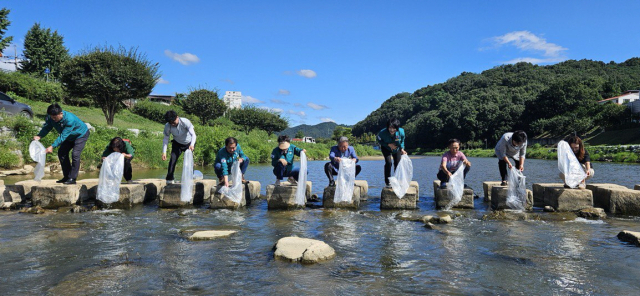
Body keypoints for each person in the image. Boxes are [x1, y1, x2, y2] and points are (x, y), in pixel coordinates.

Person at [33, 103, 90, 185]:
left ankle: (72, 178)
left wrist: (52, 146)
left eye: (55, 117)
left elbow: (63, 136)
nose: (53, 119)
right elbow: (47, 127)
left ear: (61, 113)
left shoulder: (70, 120)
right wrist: (39, 136)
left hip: (80, 135)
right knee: (62, 153)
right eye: (52, 117)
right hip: (69, 136)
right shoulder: (51, 118)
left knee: (75, 154)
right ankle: (66, 176)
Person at [162, 110, 196, 184]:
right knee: (172, 160)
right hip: (177, 144)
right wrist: (164, 152)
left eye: (173, 122)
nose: (172, 124)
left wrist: (192, 145)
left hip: (188, 144)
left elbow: (193, 135)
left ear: (177, 117)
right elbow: (165, 139)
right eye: (170, 123)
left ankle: (191, 177)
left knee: (188, 161)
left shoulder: (185, 122)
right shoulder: (168, 126)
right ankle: (169, 179)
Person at [377, 118, 407, 187]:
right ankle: (387, 182)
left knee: (397, 163)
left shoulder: (401, 132)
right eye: (390, 128)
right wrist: (388, 144)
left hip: (396, 149)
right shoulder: (382, 133)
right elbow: (379, 140)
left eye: (394, 128)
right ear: (387, 127)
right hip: (386, 148)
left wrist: (402, 149)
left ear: (397, 128)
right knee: (388, 163)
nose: (392, 130)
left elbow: (402, 141)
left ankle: (397, 180)